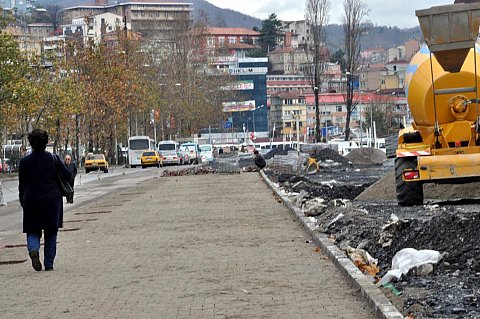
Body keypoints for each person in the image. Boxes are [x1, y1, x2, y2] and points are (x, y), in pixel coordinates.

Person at [18, 129, 72, 271]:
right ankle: (49, 264)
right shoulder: (53, 159)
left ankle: (33, 250)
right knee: (51, 232)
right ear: (46, 142)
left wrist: (23, 201)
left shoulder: (24, 162)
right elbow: (68, 176)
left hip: (31, 200)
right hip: (52, 200)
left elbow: (21, 185)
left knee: (32, 230)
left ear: (31, 143)